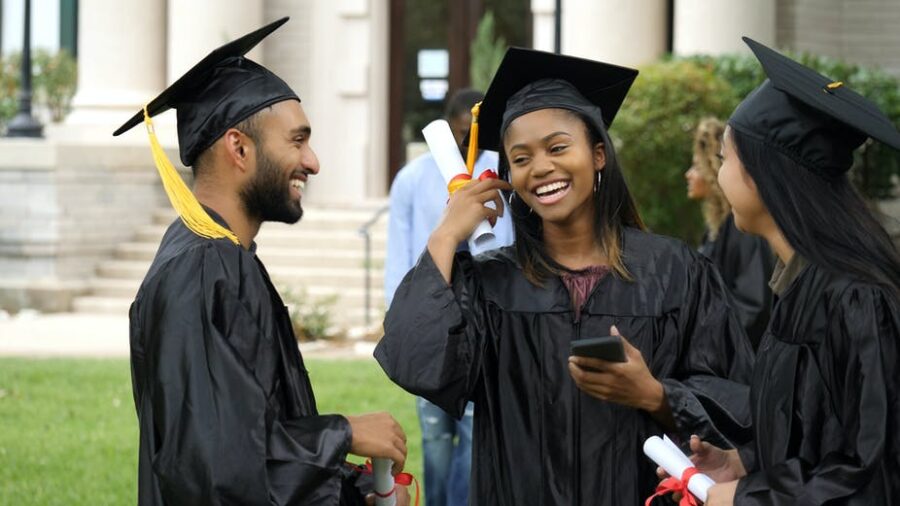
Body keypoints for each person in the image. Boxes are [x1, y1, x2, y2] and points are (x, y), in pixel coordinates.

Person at [374, 47, 754, 505]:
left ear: (598, 155)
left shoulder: (675, 272)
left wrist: (656, 396)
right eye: (521, 158)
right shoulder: (491, 283)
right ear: (508, 174)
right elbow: (415, 361)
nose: (541, 168)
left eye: (558, 147)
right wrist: (445, 235)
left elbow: (740, 405)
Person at [114, 18, 409, 505]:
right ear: (239, 147)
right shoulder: (206, 269)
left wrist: (353, 492)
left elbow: (253, 434)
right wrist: (342, 434)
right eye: (297, 140)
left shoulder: (219, 255)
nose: (313, 162)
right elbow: (213, 471)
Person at [682, 37, 900, 505]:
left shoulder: (857, 300)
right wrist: (743, 463)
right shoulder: (801, 287)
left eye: (725, 159)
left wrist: (748, 498)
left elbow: (872, 477)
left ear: (764, 176)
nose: (719, 175)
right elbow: (817, 437)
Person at [384, 88, 513, 506]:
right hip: (434, 314)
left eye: (471, 136)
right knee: (436, 434)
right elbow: (399, 249)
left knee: (477, 428)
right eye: (459, 137)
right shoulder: (413, 177)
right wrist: (401, 314)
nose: (465, 147)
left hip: (486, 316)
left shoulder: (500, 175)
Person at [685, 117, 774, 348]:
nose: (689, 174)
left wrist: (707, 343)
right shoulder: (716, 227)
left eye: (695, 166)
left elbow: (753, 306)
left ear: (711, 169)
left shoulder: (742, 228)